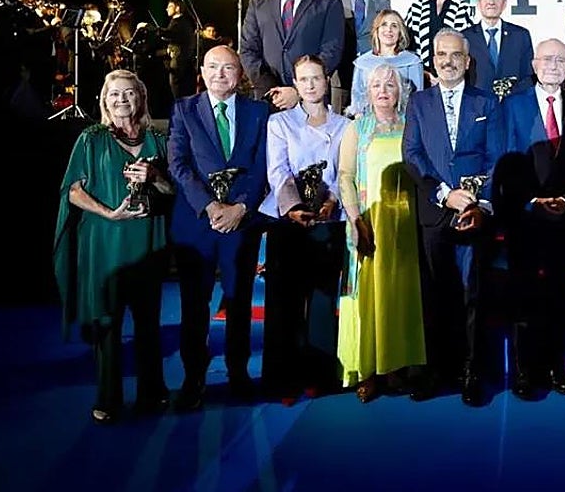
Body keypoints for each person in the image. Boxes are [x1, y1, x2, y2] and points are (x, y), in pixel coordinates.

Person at [53, 69, 176, 424]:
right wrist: (110, 213)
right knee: (107, 323)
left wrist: (155, 177)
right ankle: (108, 398)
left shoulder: (158, 139)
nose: (121, 100)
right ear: (104, 101)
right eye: (114, 95)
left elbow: (173, 192)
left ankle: (154, 392)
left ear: (141, 97)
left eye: (128, 93)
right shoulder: (90, 139)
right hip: (105, 241)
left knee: (148, 322)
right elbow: (73, 192)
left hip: (147, 241)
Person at [168, 45, 271, 410]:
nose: (220, 74)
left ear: (240, 74)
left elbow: (263, 166)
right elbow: (178, 165)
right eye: (213, 67)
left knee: (239, 301)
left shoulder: (259, 112)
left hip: (241, 223)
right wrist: (211, 206)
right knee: (194, 306)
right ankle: (194, 378)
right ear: (202, 70)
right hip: (196, 223)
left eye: (228, 68)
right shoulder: (184, 110)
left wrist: (240, 208)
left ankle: (238, 373)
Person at [402, 28, 501, 406]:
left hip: (474, 214)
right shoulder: (419, 102)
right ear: (433, 60)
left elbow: (495, 156)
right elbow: (412, 153)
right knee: (434, 295)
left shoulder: (486, 103)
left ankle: (471, 372)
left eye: (455, 55)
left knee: (473, 295)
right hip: (435, 211)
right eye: (441, 55)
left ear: (467, 60)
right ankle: (436, 371)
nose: (448, 61)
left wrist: (475, 200)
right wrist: (445, 194)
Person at [495, 38, 565, 399]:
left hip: (564, 218)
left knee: (558, 295)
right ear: (534, 64)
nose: (553, 65)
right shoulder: (512, 105)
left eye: (560, 60)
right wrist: (530, 200)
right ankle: (525, 371)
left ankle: (556, 368)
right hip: (525, 216)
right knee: (523, 295)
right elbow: (505, 158)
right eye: (547, 59)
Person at [258, 54, 351, 400]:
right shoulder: (279, 124)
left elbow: (344, 173)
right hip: (288, 221)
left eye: (316, 78)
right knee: (285, 302)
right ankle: (283, 379)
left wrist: (332, 201)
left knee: (323, 303)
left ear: (327, 81)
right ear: (295, 85)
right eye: (304, 79)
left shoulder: (344, 125)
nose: (311, 85)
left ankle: (320, 375)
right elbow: (278, 171)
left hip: (329, 221)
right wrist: (295, 207)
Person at [336, 63, 427, 402]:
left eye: (391, 85)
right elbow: (345, 176)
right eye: (377, 85)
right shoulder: (357, 129)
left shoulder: (412, 126)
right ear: (367, 91)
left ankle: (396, 365)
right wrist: (356, 219)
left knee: (401, 296)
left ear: (401, 91)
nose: (384, 91)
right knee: (369, 299)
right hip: (369, 225)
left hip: (406, 227)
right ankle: (368, 370)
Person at [240, 0, 344, 111]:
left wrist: (299, 90)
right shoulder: (258, 4)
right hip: (268, 100)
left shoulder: (329, 4)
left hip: (311, 102)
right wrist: (273, 91)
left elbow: (331, 51)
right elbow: (248, 50)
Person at [329, 0, 391, 113]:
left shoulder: (383, 3)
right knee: (339, 128)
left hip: (372, 77)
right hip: (340, 76)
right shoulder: (332, 0)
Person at [403, 0, 476, 82]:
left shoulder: (463, 8)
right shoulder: (415, 9)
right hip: (421, 79)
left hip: (454, 77)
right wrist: (425, 75)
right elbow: (407, 48)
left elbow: (469, 48)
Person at [462, 0, 534, 98]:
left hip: (513, 106)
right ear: (478, 4)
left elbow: (528, 76)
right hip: (477, 105)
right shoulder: (465, 37)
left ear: (504, 4)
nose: (491, 2)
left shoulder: (521, 35)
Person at [348, 9, 424, 117]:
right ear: (376, 31)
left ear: (400, 32)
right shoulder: (362, 63)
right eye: (384, 25)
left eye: (394, 26)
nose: (389, 29)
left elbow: (418, 99)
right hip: (369, 121)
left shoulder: (412, 62)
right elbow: (357, 99)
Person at [160, 0, 200, 99]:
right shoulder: (180, 22)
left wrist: (151, 28)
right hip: (181, 62)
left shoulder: (180, 22)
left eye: (170, 6)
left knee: (178, 90)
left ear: (177, 8)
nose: (166, 9)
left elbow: (171, 34)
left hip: (180, 62)